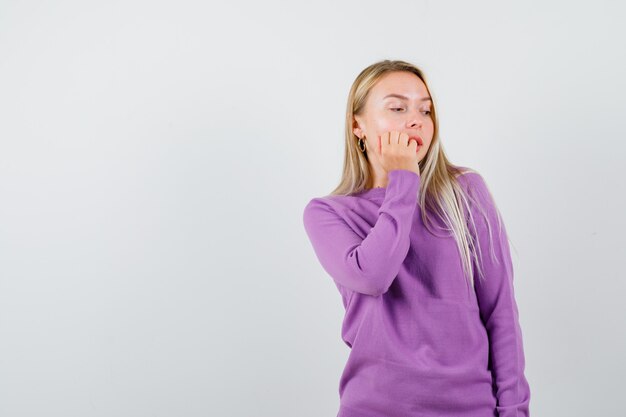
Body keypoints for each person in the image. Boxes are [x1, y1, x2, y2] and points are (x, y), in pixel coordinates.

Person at [302, 59, 531, 417]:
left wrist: (515, 411)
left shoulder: (465, 191)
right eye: (397, 108)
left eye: (425, 110)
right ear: (357, 125)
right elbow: (373, 276)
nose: (415, 120)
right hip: (373, 407)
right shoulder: (328, 213)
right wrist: (403, 181)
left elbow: (500, 314)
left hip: (469, 408)